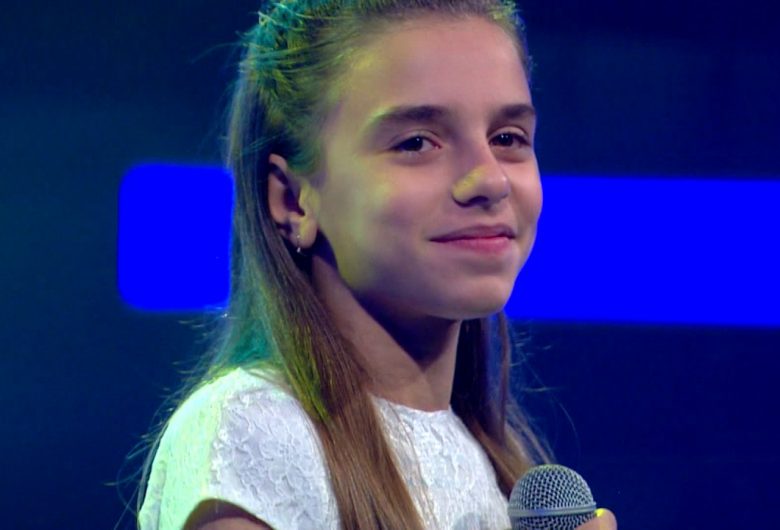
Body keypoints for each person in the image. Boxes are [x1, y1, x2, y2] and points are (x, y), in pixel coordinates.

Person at [138, 0, 617, 528]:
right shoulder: (253, 431)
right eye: (417, 143)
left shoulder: (495, 465)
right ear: (293, 200)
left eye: (507, 139)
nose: (490, 179)